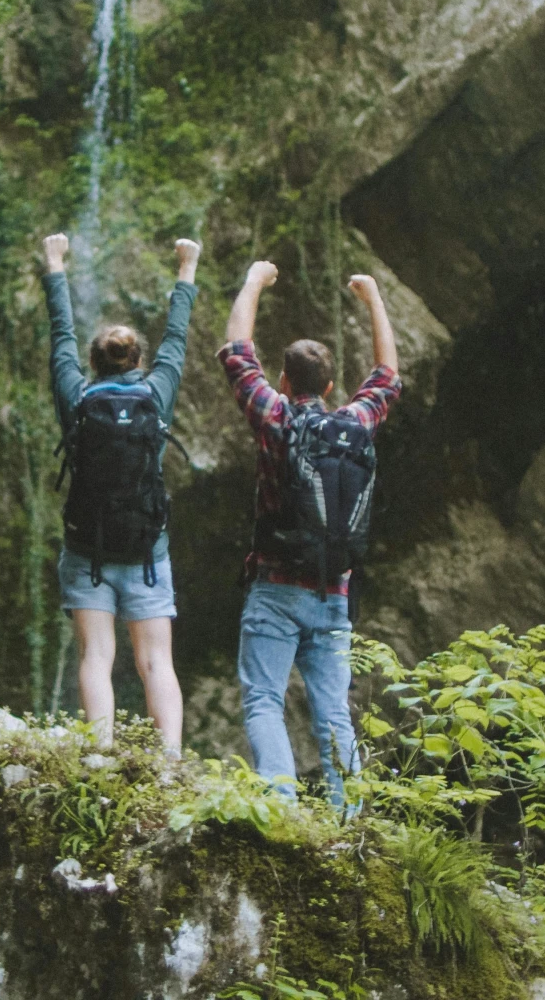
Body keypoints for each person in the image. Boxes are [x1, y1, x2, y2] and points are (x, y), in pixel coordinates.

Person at [218, 261, 401, 800]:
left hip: (274, 590)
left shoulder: (275, 420)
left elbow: (236, 352)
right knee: (333, 717)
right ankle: (347, 819)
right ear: (329, 386)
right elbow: (388, 374)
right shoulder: (357, 422)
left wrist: (252, 280)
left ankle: (281, 804)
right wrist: (372, 299)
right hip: (334, 592)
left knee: (263, 702)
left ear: (282, 380)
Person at [42, 231, 200, 753]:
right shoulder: (157, 393)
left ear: (93, 362)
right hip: (146, 551)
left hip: (87, 548)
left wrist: (55, 264)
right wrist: (186, 269)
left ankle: (102, 754)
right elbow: (177, 338)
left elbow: (60, 336)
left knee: (96, 657)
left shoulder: (77, 398)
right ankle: (171, 762)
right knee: (156, 661)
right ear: (138, 362)